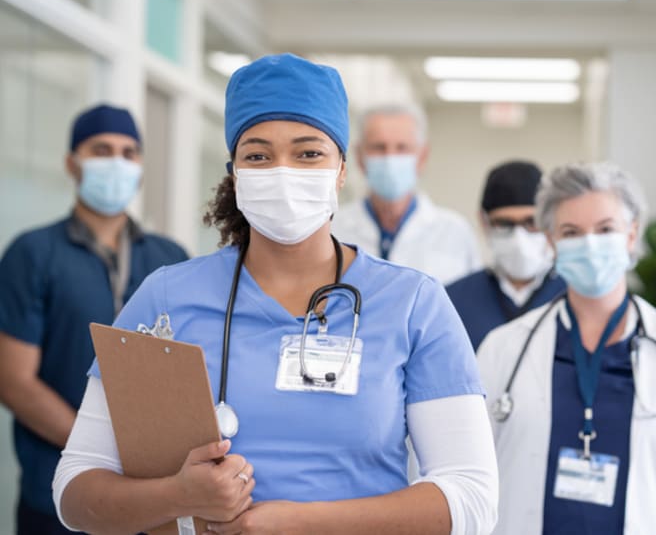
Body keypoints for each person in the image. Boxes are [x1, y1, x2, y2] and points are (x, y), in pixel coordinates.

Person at [52, 54, 498, 534]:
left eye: (308, 153)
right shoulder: (167, 297)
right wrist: (176, 495)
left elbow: (471, 499)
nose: (283, 172)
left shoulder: (414, 303)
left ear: (343, 169)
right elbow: (76, 489)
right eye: (259, 155)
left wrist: (301, 524)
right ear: (235, 172)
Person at [476, 162, 656, 534]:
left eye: (605, 229)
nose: (590, 244)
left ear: (631, 235)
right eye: (571, 232)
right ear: (550, 242)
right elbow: (471, 479)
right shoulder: (504, 349)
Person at [0, 103, 188, 534]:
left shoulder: (169, 258)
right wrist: (100, 449)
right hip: (57, 496)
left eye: (128, 152)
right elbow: (14, 381)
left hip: (151, 496)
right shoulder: (34, 254)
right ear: (72, 163)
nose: (117, 162)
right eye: (101, 150)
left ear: (140, 167)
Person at [331, 104, 481, 285]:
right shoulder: (332, 229)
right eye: (379, 147)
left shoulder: (455, 232)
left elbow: (469, 303)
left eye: (402, 148)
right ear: (359, 157)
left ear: (422, 157)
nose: (389, 158)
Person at [447, 160, 566, 350]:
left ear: (549, 221)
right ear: (484, 222)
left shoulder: (574, 296)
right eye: (504, 224)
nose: (519, 238)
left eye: (531, 222)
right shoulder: (453, 301)